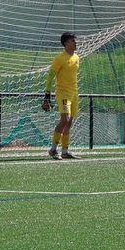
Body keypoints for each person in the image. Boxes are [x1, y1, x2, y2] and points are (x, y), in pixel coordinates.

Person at [42, 31, 81, 159]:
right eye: (72, 41)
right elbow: (50, 77)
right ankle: (53, 149)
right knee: (64, 119)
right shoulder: (59, 58)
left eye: (75, 41)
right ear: (65, 44)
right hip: (63, 93)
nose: (75, 43)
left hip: (74, 93)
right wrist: (46, 96)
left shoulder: (76, 57)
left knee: (69, 122)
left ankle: (65, 151)